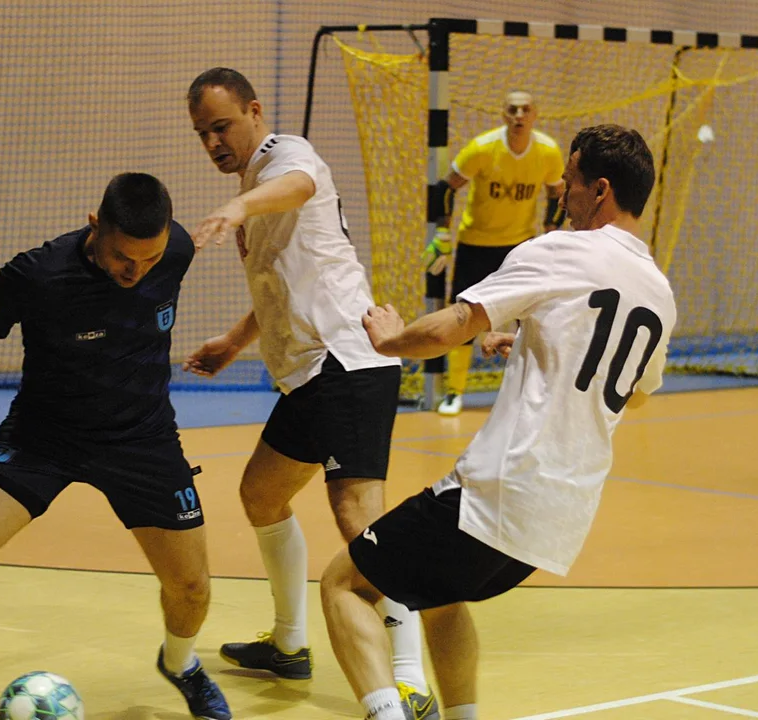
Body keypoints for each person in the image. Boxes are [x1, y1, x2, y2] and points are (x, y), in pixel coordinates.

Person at [322, 124, 676, 720]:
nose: (561, 188)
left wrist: (390, 339)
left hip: (500, 488)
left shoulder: (561, 248)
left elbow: (455, 325)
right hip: (561, 518)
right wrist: (542, 344)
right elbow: (633, 393)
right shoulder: (660, 292)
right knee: (439, 593)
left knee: (345, 584)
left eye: (571, 177)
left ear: (602, 190)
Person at [0, 173, 231, 720]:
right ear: (94, 224)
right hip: (43, 434)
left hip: (140, 437)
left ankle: (181, 665)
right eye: (125, 258)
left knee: (192, 586)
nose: (136, 273)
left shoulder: (174, 248)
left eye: (149, 262)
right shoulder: (38, 272)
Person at [184, 67, 438, 718]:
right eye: (201, 134)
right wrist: (236, 342)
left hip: (347, 362)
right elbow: (281, 275)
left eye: (221, 126)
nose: (212, 141)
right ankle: (291, 644)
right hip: (306, 372)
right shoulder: (252, 181)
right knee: (261, 493)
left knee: (360, 522)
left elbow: (298, 187)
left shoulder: (284, 158)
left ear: (254, 111)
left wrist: (238, 206)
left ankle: (409, 678)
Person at [426, 90, 565, 416]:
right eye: (512, 109)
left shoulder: (547, 151)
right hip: (475, 243)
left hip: (519, 247)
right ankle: (454, 391)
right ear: (503, 115)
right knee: (464, 317)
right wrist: (443, 233)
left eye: (525, 109)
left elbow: (557, 193)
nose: (519, 115)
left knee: (528, 319)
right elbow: (446, 188)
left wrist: (552, 233)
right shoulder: (483, 147)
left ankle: (523, 391)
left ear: (535, 115)